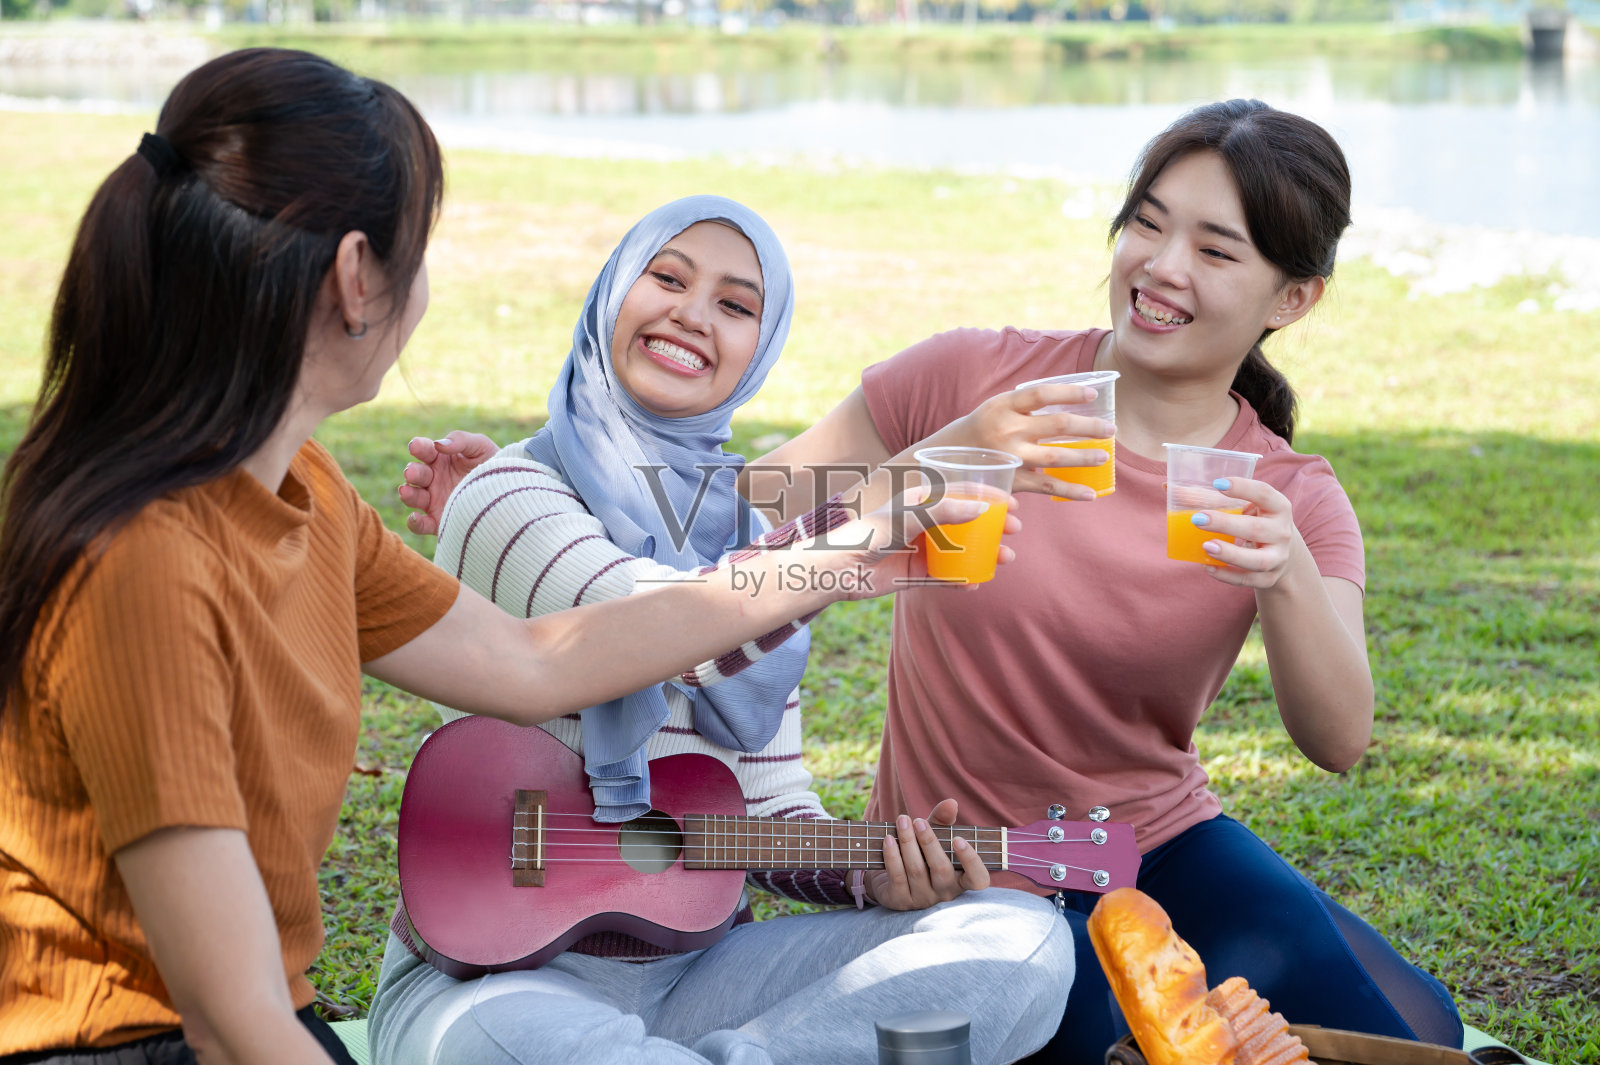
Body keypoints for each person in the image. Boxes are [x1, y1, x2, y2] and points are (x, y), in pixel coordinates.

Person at [0, 50, 1039, 1065]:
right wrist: (859, 530)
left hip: (328, 1011)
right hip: (132, 1042)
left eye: (735, 302)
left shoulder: (310, 496)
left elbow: (547, 658)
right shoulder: (144, 560)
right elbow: (232, 1026)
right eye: (422, 250)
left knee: (1022, 942)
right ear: (359, 279)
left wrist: (856, 555)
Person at [403, 100, 1465, 1062]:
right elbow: (756, 501)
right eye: (1146, 223)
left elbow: (1339, 736)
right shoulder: (975, 378)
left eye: (1213, 248)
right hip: (958, 854)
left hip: (1150, 836)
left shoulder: (1289, 495)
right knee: (1094, 1036)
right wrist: (531, 479)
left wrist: (1282, 574)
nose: (1161, 265)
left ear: (1295, 295)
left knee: (1420, 1030)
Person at [370, 196, 1073, 1065]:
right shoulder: (503, 495)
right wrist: (845, 546)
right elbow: (647, 620)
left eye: (737, 306)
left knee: (1024, 938)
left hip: (702, 978)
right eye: (666, 278)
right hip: (492, 981)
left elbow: (771, 808)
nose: (693, 315)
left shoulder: (747, 543)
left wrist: (874, 876)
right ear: (610, 295)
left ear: (759, 350)